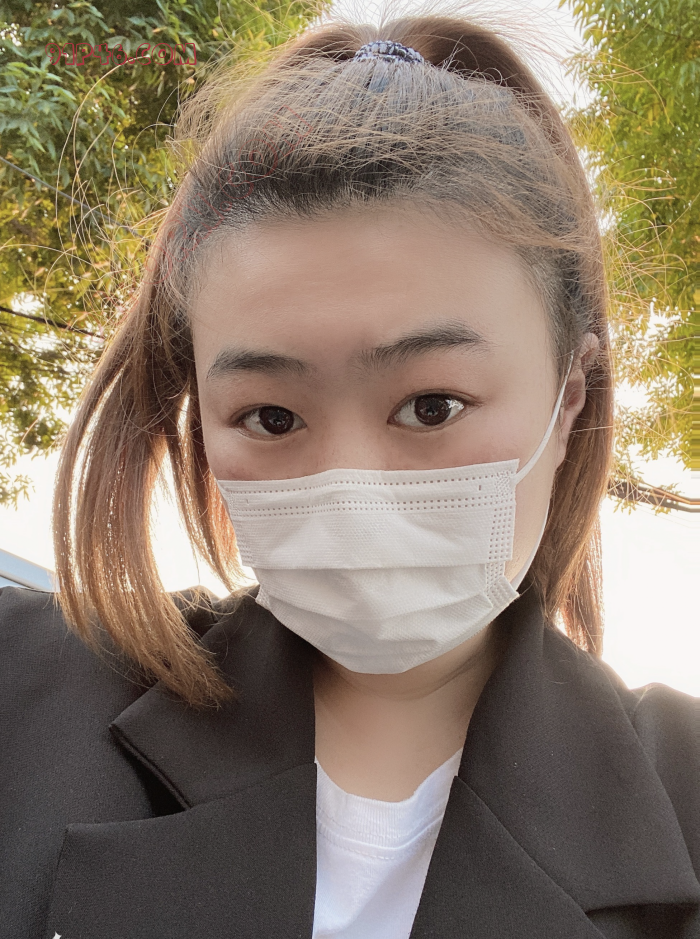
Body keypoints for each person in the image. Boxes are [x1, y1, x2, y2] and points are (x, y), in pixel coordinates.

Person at [1, 10, 699, 939]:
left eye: (433, 405)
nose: (349, 488)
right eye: (272, 417)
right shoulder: (23, 692)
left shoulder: (684, 791)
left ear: (568, 397)